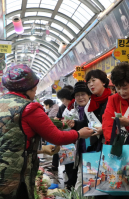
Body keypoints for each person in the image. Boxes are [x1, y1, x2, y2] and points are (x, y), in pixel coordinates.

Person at [0, 64, 94, 199]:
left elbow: (14, 139)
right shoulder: (29, 108)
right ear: (27, 89)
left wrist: (42, 149)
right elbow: (57, 137)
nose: (34, 93)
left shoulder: (2, 102)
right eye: (34, 89)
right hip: (15, 173)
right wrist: (79, 134)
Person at [66, 69, 111, 152]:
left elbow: (120, 123)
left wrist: (104, 129)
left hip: (111, 145)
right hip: (97, 146)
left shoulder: (112, 99)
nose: (91, 84)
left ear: (103, 82)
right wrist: (75, 124)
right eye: (89, 82)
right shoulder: (90, 104)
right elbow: (87, 123)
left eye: (93, 80)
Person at [70, 81, 92, 193]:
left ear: (89, 95)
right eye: (77, 95)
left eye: (83, 94)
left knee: (89, 183)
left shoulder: (93, 109)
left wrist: (76, 125)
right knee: (81, 180)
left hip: (92, 152)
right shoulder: (75, 111)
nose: (80, 97)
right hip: (81, 151)